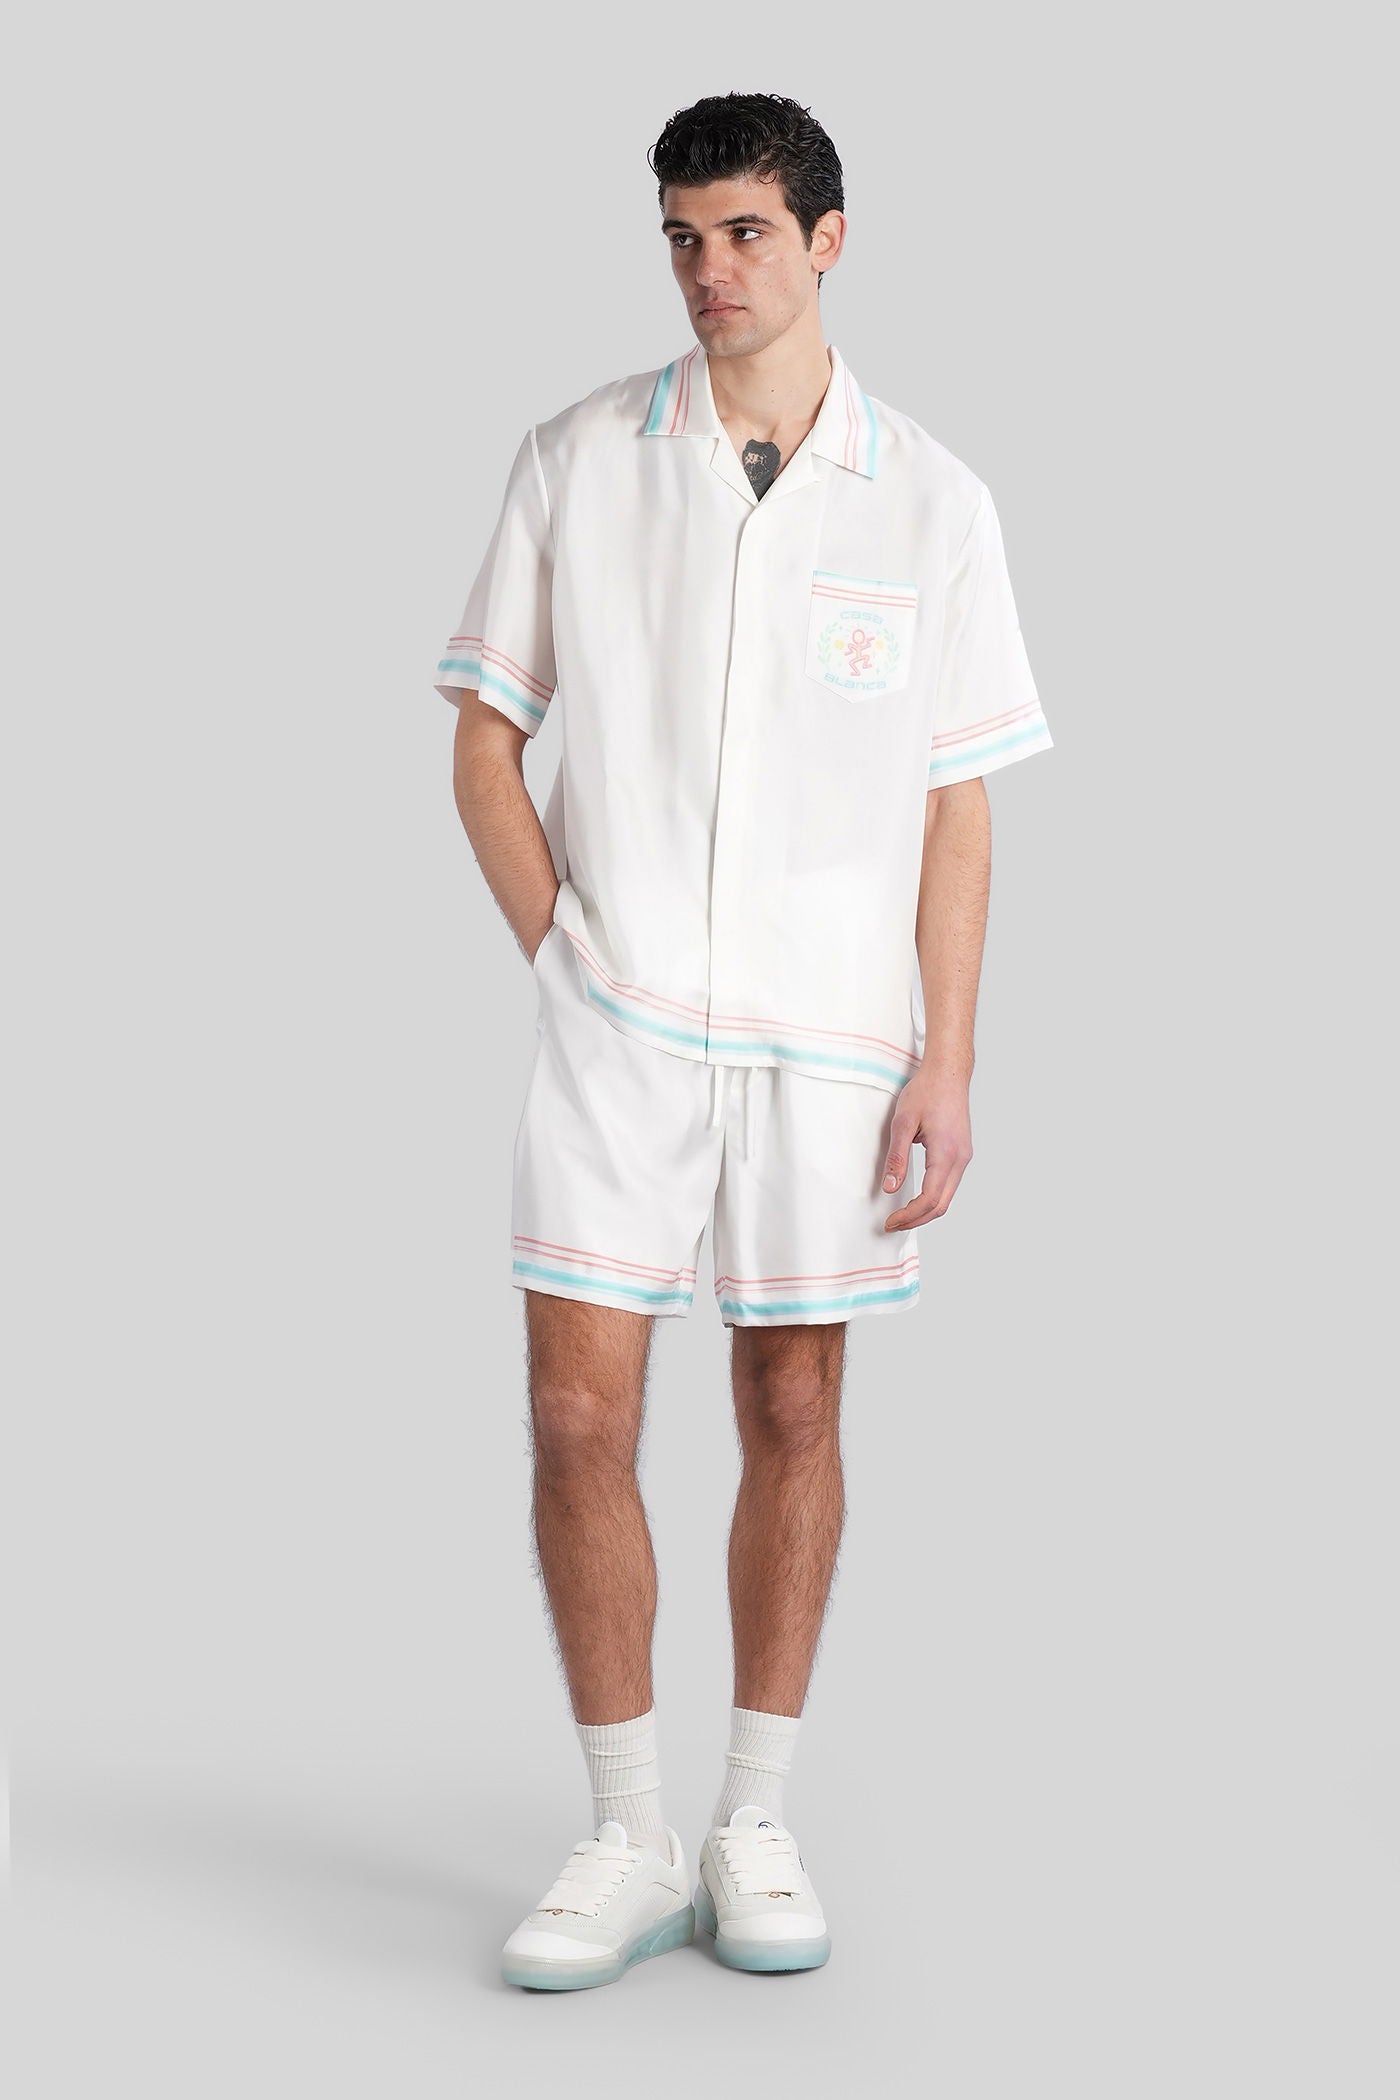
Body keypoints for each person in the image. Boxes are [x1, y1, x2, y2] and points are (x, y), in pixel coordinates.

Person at [430, 91, 1053, 1991]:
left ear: (828, 240)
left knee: (793, 1410)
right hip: (618, 1030)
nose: (710, 271)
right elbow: (484, 739)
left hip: (834, 1044)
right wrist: (568, 955)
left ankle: (753, 1815)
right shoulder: (577, 460)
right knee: (575, 1415)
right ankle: (625, 1832)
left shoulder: (931, 500)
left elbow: (957, 802)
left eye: (746, 235)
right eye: (683, 239)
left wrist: (949, 1059)